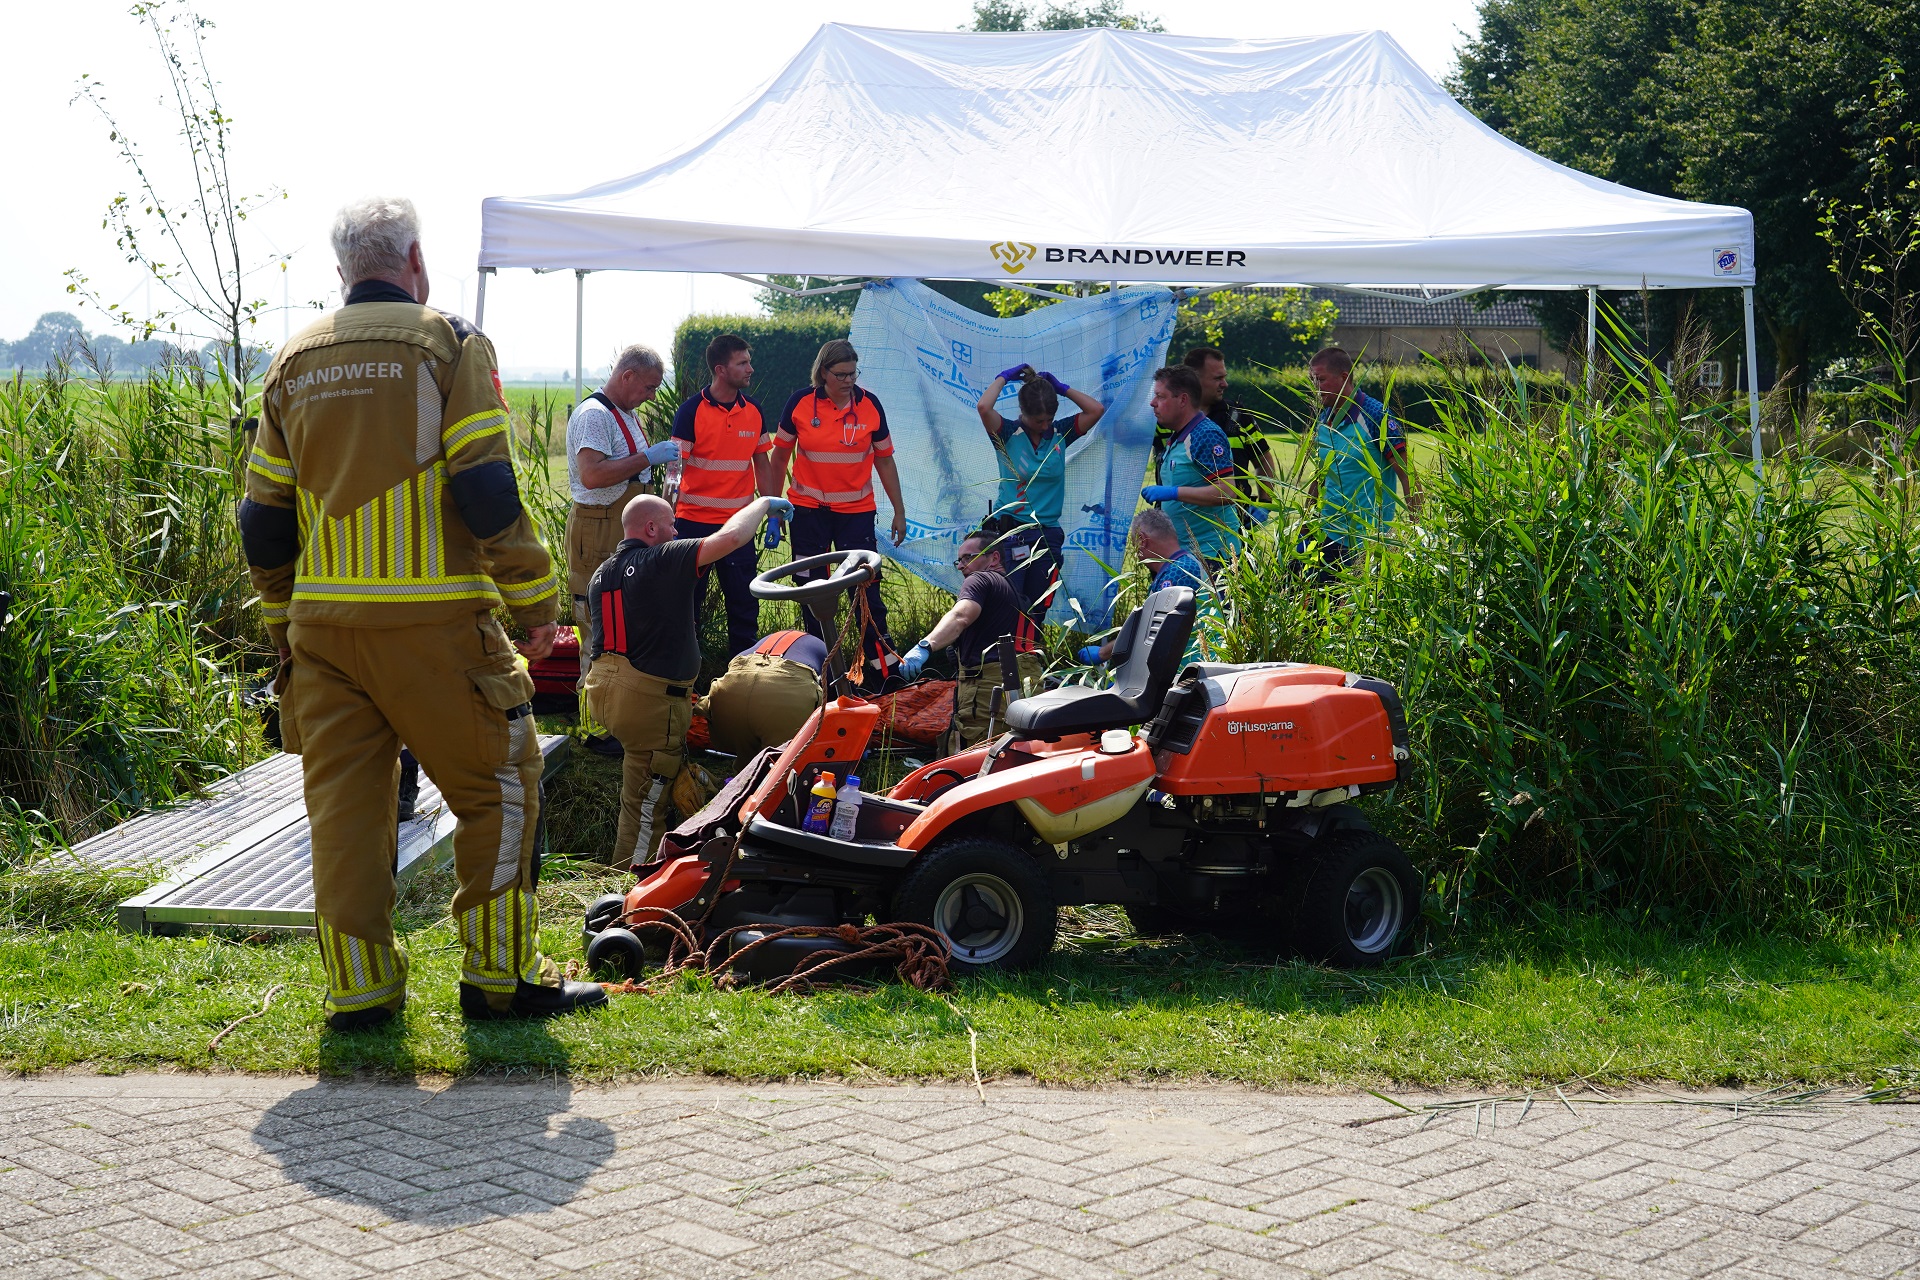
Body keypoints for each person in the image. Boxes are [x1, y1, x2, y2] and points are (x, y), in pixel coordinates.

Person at [241, 196, 602, 1028]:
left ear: (343, 274)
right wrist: (534, 600)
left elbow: (263, 518)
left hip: (323, 635)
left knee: (345, 817)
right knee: (503, 791)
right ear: (414, 263)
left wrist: (281, 627)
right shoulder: (449, 344)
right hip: (437, 627)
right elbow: (483, 484)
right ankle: (499, 980)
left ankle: (361, 993)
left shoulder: (292, 361)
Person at [584, 492, 792, 867]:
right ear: (651, 528)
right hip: (646, 701)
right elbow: (729, 539)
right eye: (671, 525)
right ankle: (631, 879)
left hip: (606, 689)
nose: (677, 531)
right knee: (647, 799)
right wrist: (761, 505)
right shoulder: (661, 557)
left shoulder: (603, 572)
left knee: (644, 783)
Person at [771, 339, 909, 684]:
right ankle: (818, 675)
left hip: (856, 513)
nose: (849, 380)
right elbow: (778, 457)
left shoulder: (870, 405)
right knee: (811, 591)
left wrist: (899, 510)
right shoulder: (800, 403)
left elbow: (885, 460)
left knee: (866, 591)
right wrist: (773, 508)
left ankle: (880, 675)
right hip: (808, 512)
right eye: (842, 374)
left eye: (853, 373)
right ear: (823, 373)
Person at [565, 345, 678, 664]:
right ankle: (592, 710)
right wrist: (647, 457)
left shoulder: (625, 414)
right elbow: (592, 475)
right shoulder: (595, 416)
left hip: (620, 533)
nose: (653, 396)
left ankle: (615, 707)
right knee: (597, 627)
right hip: (599, 531)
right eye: (650, 387)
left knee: (623, 624)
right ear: (628, 376)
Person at [670, 334, 777, 658]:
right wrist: (667, 520)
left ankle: (741, 681)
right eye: (742, 362)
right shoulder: (691, 411)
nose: (750, 369)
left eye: (748, 361)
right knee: (686, 609)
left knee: (744, 607)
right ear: (720, 369)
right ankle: (686, 678)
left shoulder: (754, 411)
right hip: (691, 527)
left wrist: (772, 512)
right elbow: (675, 473)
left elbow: (763, 464)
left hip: (738, 528)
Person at [974, 363, 1105, 624]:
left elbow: (1096, 410)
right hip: (1011, 534)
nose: (1044, 425)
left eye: (1049, 419)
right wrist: (1003, 377)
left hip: (1047, 536)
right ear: (1023, 412)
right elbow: (984, 407)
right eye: (1038, 420)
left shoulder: (1060, 433)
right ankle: (1002, 662)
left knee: (1036, 611)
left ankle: (1030, 659)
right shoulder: (1006, 433)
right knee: (1006, 605)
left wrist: (1062, 389)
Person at [899, 530, 1044, 752]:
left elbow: (960, 616)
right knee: (1022, 756)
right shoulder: (1018, 597)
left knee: (981, 760)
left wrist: (925, 646)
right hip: (1030, 686)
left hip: (991, 690)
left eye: (969, 557)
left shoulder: (981, 579)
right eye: (960, 560)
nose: (961, 566)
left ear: (994, 558)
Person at [1306, 347, 1419, 575]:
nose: (1315, 388)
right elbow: (1321, 474)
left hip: (1370, 539)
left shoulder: (1376, 415)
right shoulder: (1324, 419)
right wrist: (1307, 520)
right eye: (1312, 380)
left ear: (1344, 377)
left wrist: (1420, 529)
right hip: (1328, 533)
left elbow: (1407, 475)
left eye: (1321, 380)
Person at [1139, 365, 1241, 574]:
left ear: (1183, 400)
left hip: (1214, 556)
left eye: (1160, 396)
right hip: (1190, 556)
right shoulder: (1178, 436)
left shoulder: (1205, 435)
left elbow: (1227, 492)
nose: (1152, 403)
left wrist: (1173, 493)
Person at [1078, 508, 1210, 668]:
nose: (1136, 554)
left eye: (1135, 544)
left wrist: (1103, 653)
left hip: (1187, 669)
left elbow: (1153, 630)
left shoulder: (1177, 573)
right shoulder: (1183, 564)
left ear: (1142, 540)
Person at [1182, 346, 1278, 521]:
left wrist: (1265, 502)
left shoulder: (1238, 418)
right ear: (1194, 380)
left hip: (1234, 524)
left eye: (1224, 377)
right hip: (1180, 525)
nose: (1225, 384)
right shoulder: (1166, 419)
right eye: (1218, 378)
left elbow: (1263, 459)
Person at [699, 629, 827, 757]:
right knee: (782, 767)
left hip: (731, 691)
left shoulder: (771, 638)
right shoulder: (826, 649)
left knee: (747, 765)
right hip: (785, 694)